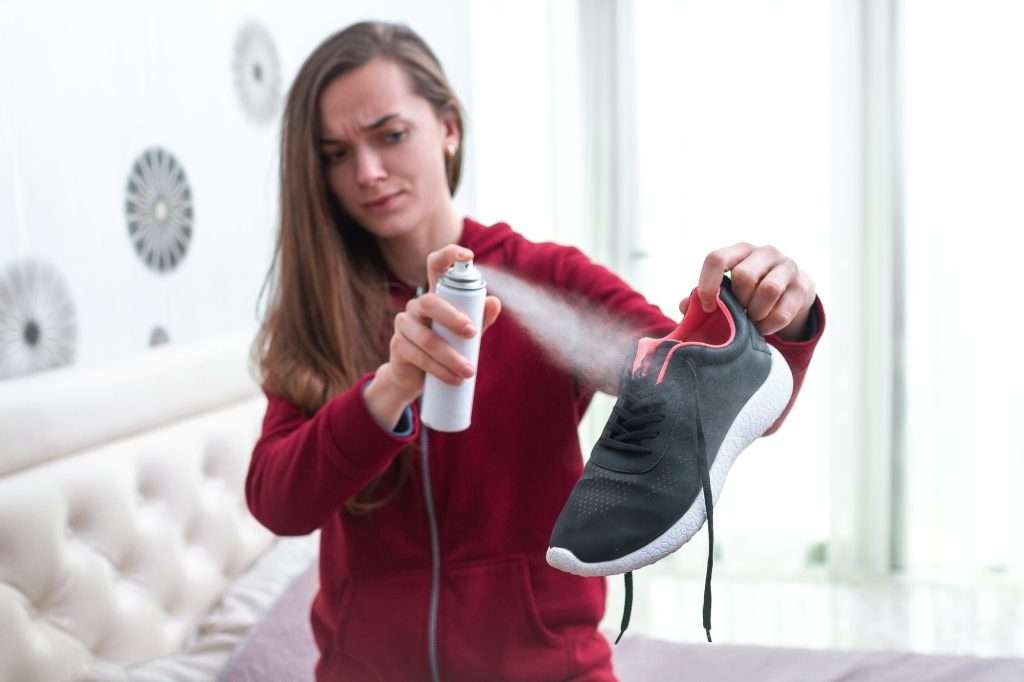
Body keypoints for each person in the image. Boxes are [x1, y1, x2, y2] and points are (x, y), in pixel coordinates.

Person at [246, 20, 825, 682]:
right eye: (336, 153)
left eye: (390, 135)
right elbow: (277, 502)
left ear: (448, 128)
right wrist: (392, 385)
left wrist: (779, 314)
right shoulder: (316, 315)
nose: (369, 172)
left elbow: (702, 385)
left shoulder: (545, 278)